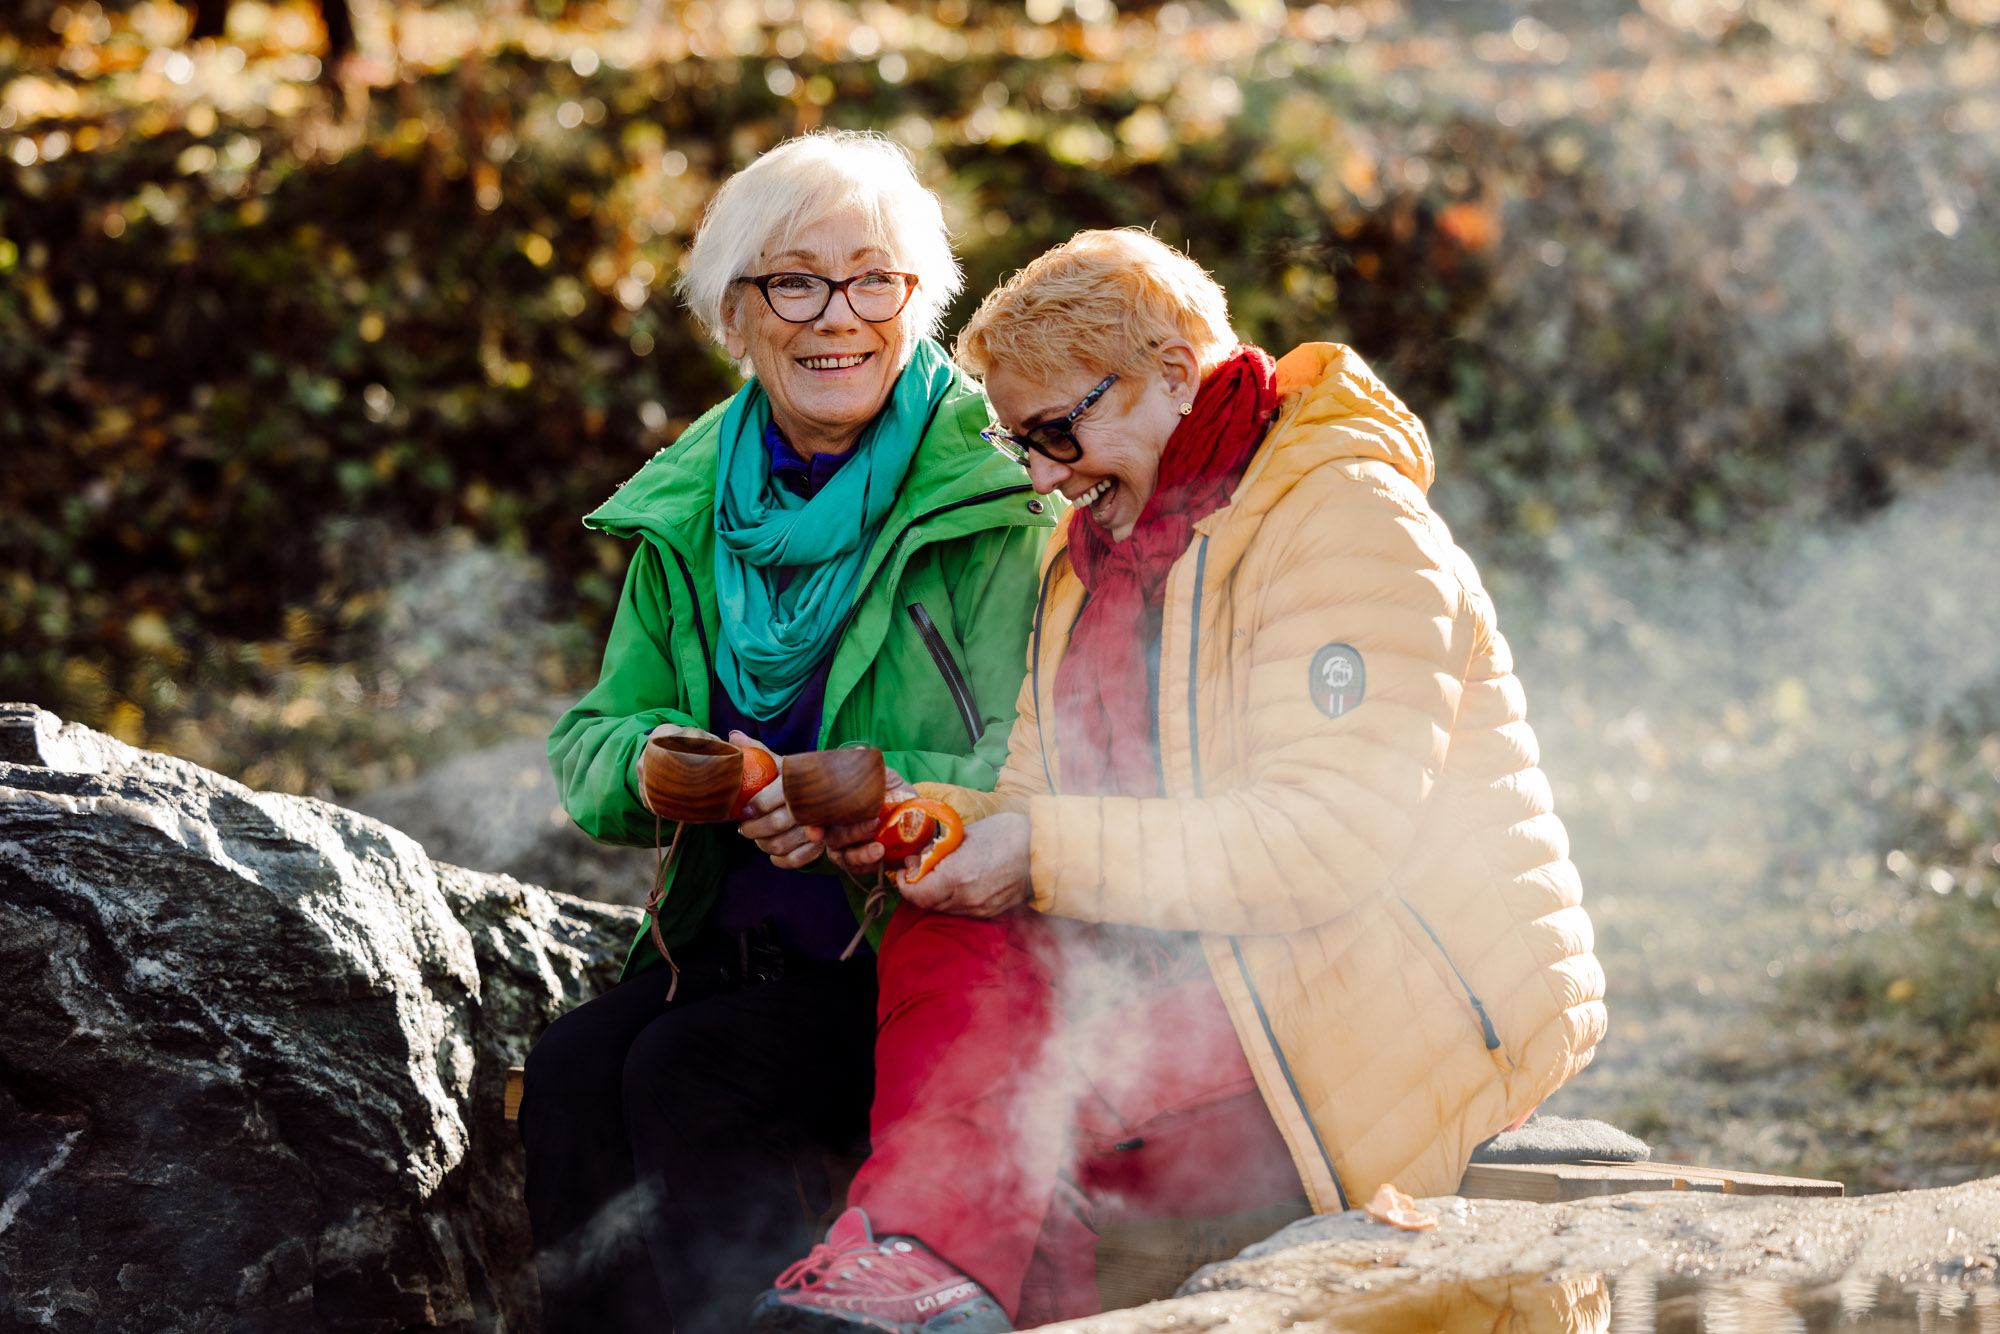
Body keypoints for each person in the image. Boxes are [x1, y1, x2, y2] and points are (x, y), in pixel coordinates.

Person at [759, 229, 1608, 1332]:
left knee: (1045, 1104)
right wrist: (934, 825)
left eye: (1059, 432)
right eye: (1023, 444)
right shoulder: (1093, 555)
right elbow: (1031, 799)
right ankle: (920, 1264)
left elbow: (1324, 840)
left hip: (1384, 983)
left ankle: (934, 1266)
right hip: (1201, 952)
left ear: (1170, 371)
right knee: (941, 922)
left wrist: (1041, 851)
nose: (1046, 477)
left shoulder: (1346, 522)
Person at [521, 131, 1057, 1334]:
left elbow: (1040, 756)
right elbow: (595, 742)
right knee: (568, 1069)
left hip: (917, 963)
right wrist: (668, 767)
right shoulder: (689, 500)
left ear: (916, 299)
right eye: (794, 281)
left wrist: (864, 796)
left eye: (874, 278)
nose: (839, 317)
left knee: (690, 1069)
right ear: (733, 315)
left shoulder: (991, 491)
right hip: (725, 948)